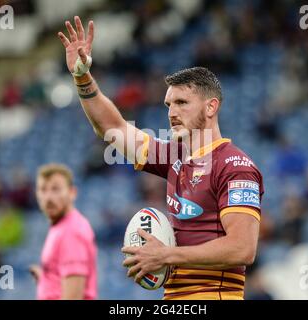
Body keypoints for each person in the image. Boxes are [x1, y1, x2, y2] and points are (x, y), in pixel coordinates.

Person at [57, 17, 263, 300]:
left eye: (181, 103)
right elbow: (113, 128)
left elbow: (242, 248)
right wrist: (82, 76)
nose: (171, 112)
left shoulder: (235, 166)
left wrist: (166, 255)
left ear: (211, 106)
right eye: (168, 104)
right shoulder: (174, 156)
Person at [30, 163, 97, 300]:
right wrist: (45, 279)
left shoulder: (71, 231)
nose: (48, 198)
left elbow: (73, 297)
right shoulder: (60, 226)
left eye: (56, 189)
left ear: (72, 193)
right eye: (43, 190)